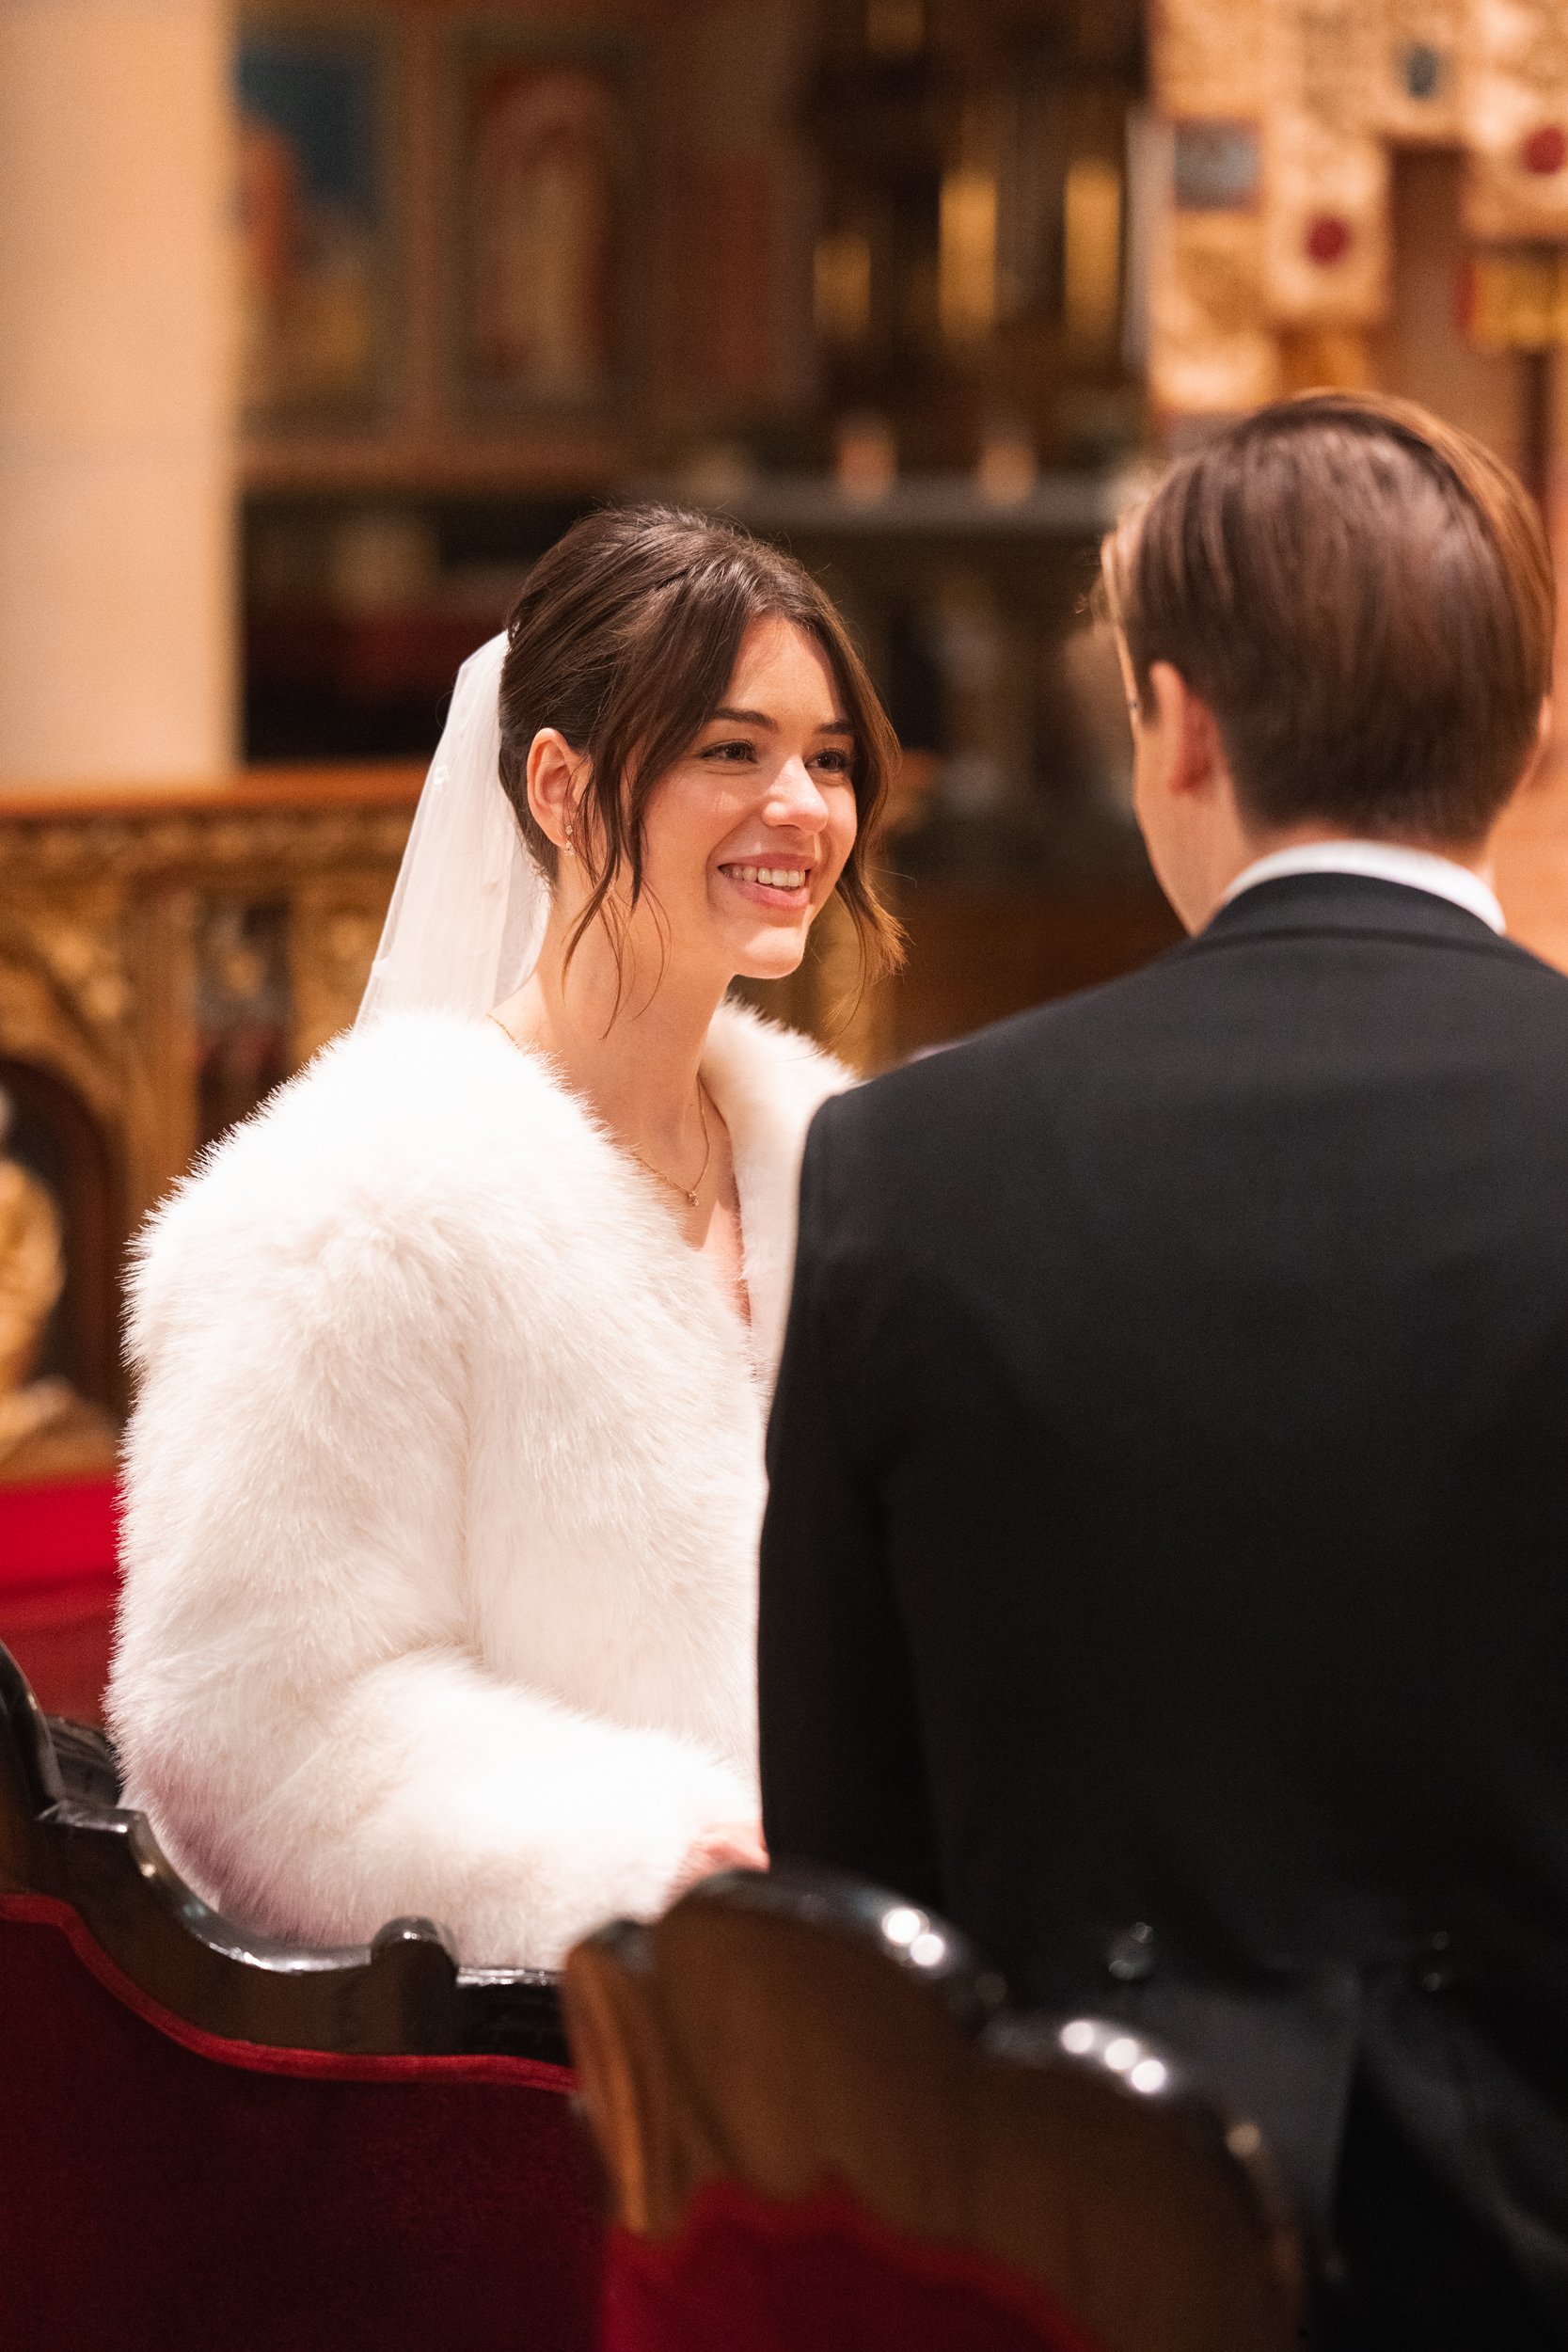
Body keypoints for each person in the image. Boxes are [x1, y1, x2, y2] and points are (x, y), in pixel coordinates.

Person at [758, 394, 1568, 2346]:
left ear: (1177, 721)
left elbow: (851, 1876)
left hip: (1075, 2259)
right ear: (1529, 740)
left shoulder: (915, 1165)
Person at [108, 504, 900, 1970]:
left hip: (867, 1983)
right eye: (732, 750)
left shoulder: (846, 1170)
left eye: (831, 757)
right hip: (561, 2034)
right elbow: (248, 1725)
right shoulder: (357, 1204)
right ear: (559, 783)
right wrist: (654, 1863)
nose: (803, 803)